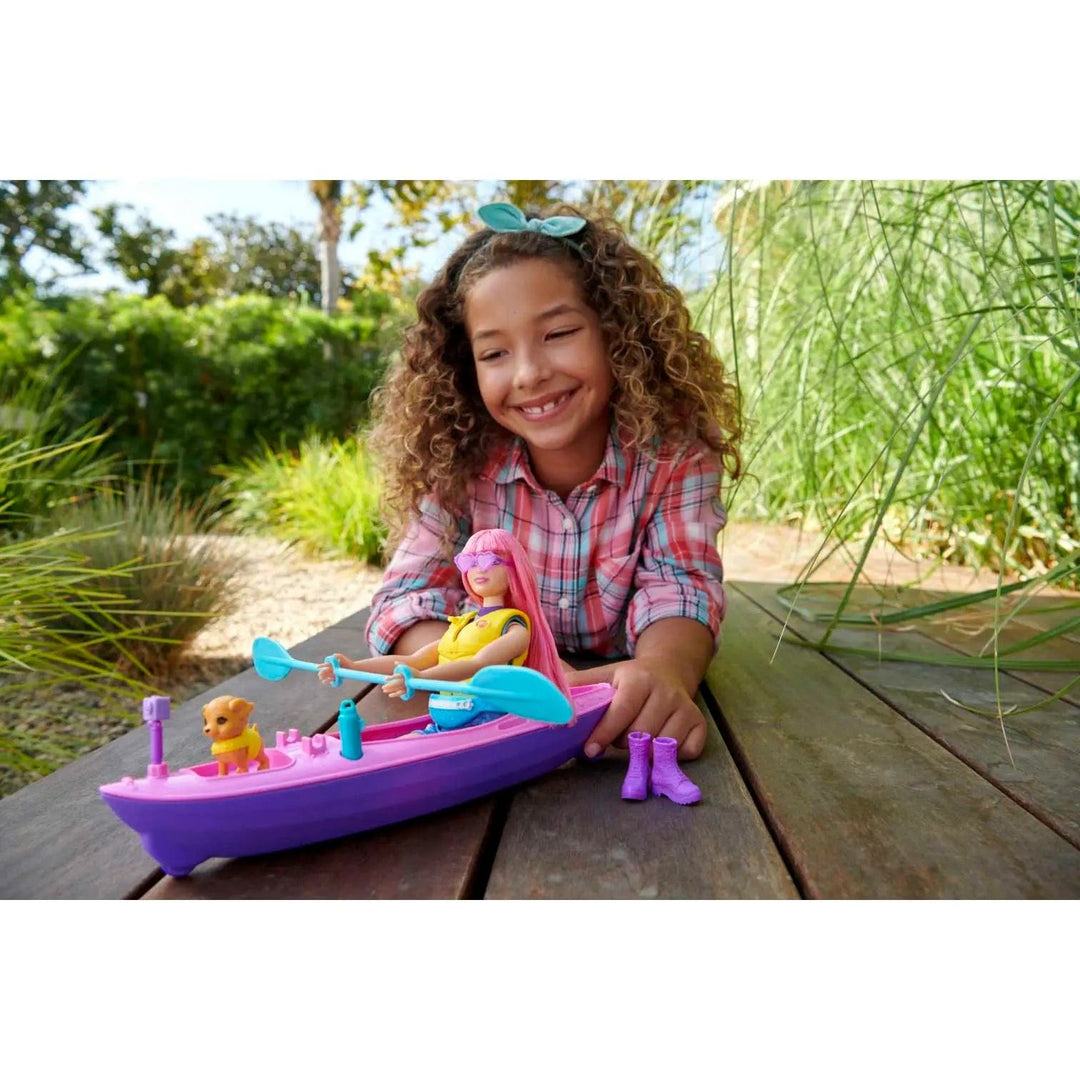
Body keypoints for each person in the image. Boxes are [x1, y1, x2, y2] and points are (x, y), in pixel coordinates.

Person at [363, 200, 742, 760]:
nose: (529, 373)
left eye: (559, 332)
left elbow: (679, 587)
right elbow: (406, 599)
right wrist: (480, 674)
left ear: (617, 335)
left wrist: (663, 672)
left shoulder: (674, 454)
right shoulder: (459, 464)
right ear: (467, 368)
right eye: (494, 351)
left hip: (613, 681)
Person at [318, 528, 572, 731]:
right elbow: (413, 660)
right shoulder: (464, 623)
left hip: (486, 717)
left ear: (514, 569)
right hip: (447, 713)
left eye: (487, 560)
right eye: (469, 561)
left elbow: (479, 663)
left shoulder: (514, 627)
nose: (477, 569)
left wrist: (421, 678)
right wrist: (352, 666)